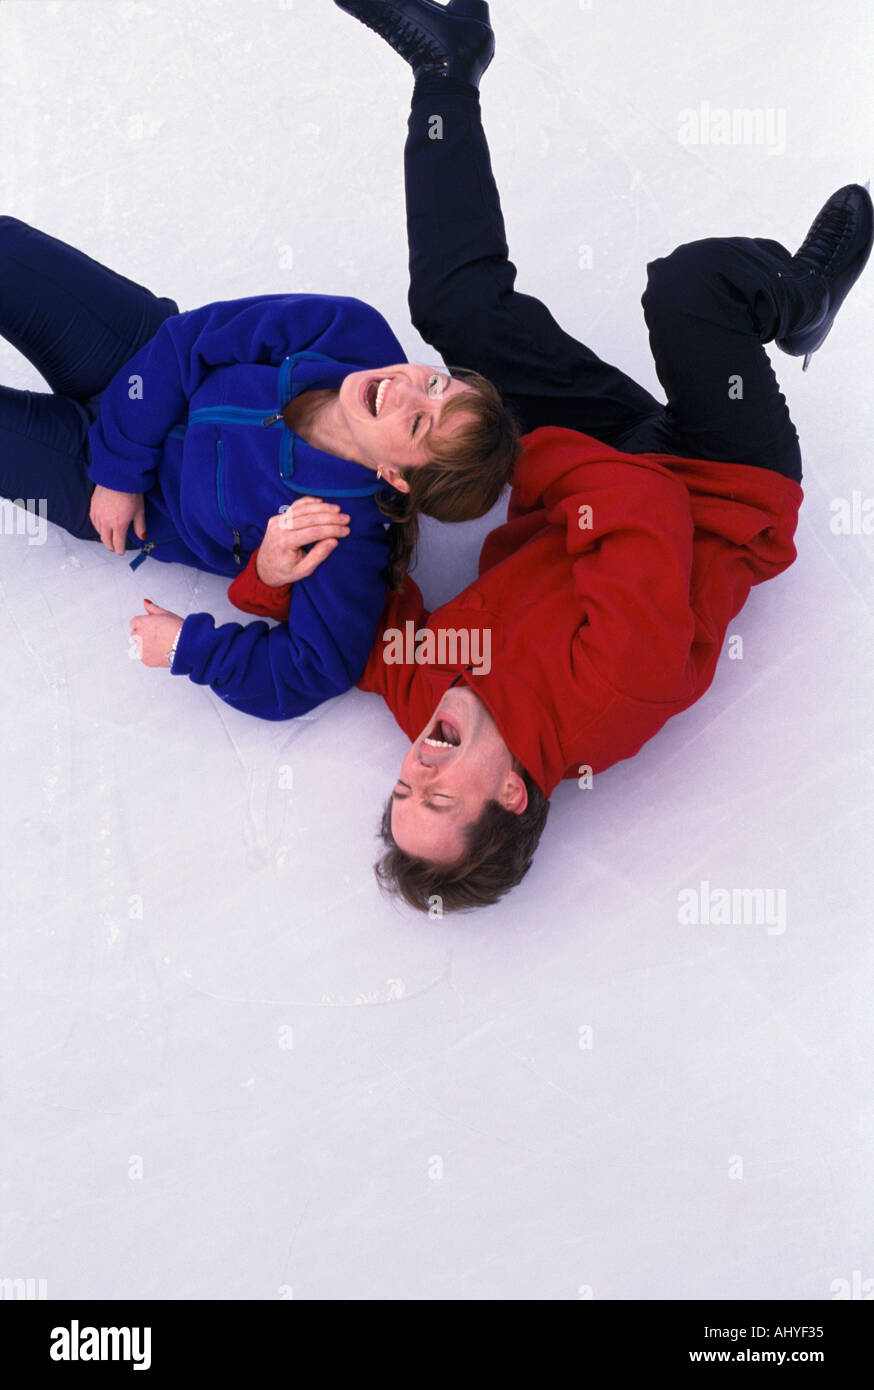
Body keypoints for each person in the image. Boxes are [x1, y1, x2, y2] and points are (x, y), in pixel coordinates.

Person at [234, 0, 872, 911]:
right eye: (438, 796)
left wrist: (268, 577)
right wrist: (505, 462)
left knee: (458, 315)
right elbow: (642, 514)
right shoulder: (612, 693)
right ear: (508, 794)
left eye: (402, 790)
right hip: (722, 484)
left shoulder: (429, 697)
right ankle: (797, 302)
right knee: (690, 289)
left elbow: (357, 637)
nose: (416, 767)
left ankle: (446, 72)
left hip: (597, 465)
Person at [0, 215, 519, 719]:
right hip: (139, 359)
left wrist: (189, 646)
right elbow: (195, 338)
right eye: (435, 386)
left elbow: (311, 671)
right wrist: (123, 465)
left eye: (418, 426)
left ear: (396, 476)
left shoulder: (340, 538)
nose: (403, 389)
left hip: (104, 487)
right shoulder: (354, 334)